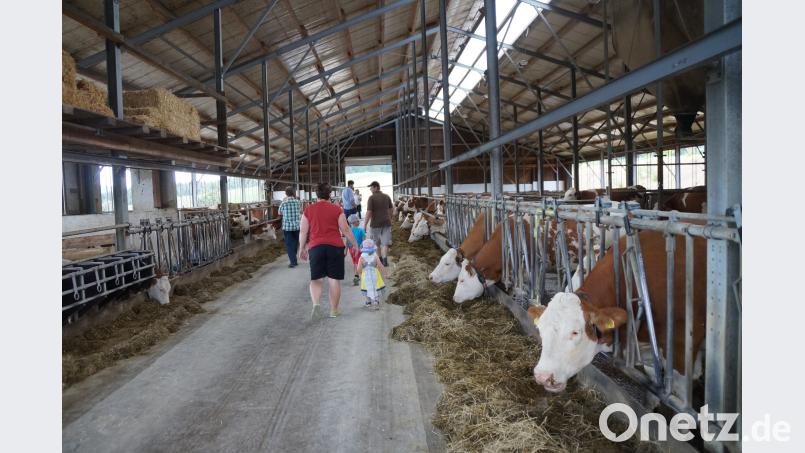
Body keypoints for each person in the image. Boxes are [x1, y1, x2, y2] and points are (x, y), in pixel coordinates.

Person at [298, 182, 360, 319]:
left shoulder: (308, 210)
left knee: (316, 279)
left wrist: (301, 248)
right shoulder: (337, 209)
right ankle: (334, 310)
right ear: (330, 194)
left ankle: (316, 304)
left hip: (315, 247)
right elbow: (345, 229)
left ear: (316, 194)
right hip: (335, 247)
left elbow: (303, 231)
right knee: (334, 280)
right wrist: (355, 244)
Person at [363, 181, 394, 267]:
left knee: (376, 243)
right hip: (386, 223)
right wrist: (390, 218)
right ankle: (385, 260)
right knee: (385, 243)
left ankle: (379, 259)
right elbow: (391, 209)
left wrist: (365, 224)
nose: (370, 189)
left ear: (376, 187)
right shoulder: (387, 196)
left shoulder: (371, 198)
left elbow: (369, 212)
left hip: (375, 224)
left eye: (371, 187)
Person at [356, 239, 386, 310]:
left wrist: (360, 273)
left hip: (365, 275)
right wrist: (385, 273)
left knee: (366, 287)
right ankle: (376, 301)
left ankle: (368, 301)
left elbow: (358, 268)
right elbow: (380, 265)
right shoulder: (375, 256)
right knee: (375, 286)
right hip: (375, 274)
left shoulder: (362, 257)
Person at [278, 186, 302, 268]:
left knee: (289, 244)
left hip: (287, 227)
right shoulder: (298, 202)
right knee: (295, 243)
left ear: (286, 193)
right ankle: (293, 258)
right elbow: (300, 210)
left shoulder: (284, 203)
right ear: (293, 193)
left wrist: (283, 201)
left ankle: (293, 262)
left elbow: (279, 212)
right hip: (296, 226)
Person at [344, 214, 366, 286]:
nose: (359, 221)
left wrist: (345, 250)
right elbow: (363, 241)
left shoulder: (349, 231)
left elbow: (347, 242)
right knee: (359, 262)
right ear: (354, 222)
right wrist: (364, 249)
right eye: (357, 220)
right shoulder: (360, 230)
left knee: (355, 262)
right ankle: (358, 276)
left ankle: (356, 275)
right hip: (359, 249)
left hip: (351, 249)